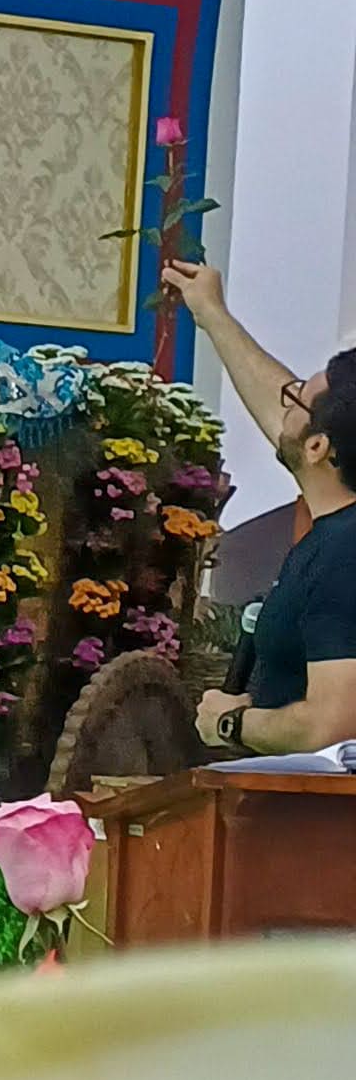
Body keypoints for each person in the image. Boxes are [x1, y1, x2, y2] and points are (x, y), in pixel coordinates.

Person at [163, 260, 356, 757]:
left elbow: (333, 726)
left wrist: (232, 723)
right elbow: (288, 416)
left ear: (318, 448)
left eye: (296, 398)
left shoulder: (345, 555)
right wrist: (212, 314)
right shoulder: (339, 525)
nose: (282, 404)